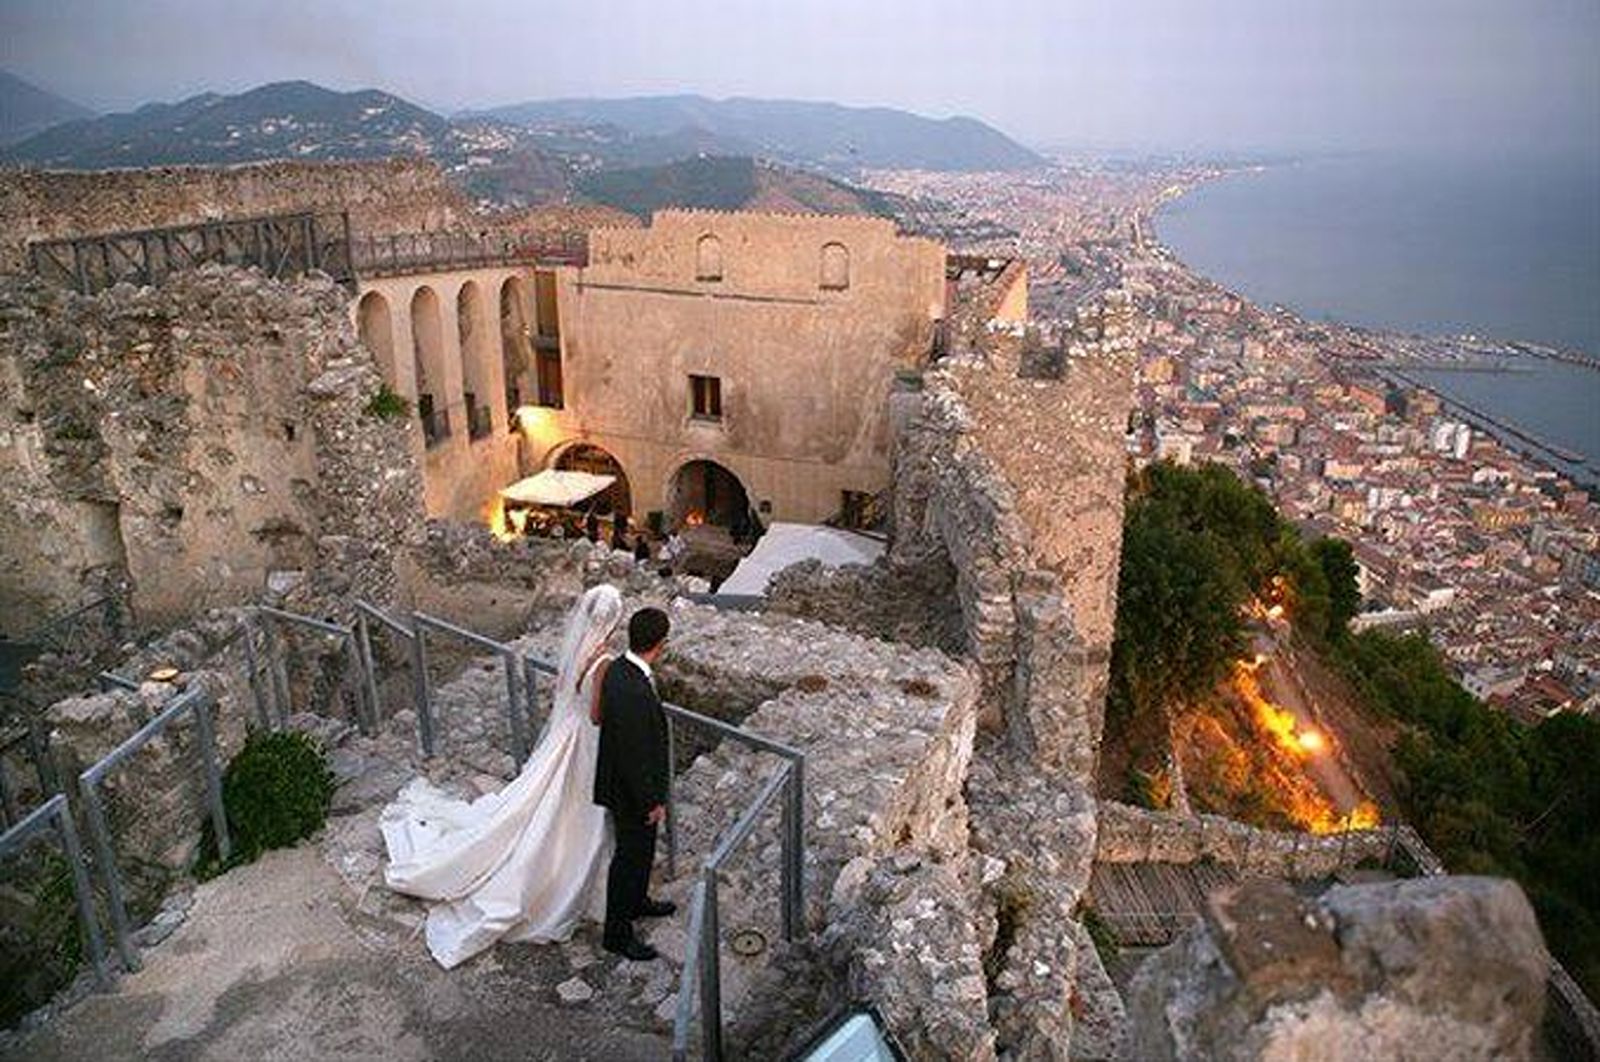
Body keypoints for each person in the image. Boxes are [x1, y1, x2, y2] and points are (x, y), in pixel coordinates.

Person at [379, 585, 624, 969]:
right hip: (586, 740)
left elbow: (568, 694)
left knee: (546, 798)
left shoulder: (580, 651)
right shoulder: (605, 659)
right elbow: (596, 713)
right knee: (577, 808)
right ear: (612, 620)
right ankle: (558, 880)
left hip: (566, 734)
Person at [593, 607, 675, 960]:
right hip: (631, 794)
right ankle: (617, 934)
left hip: (626, 786)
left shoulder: (620, 670)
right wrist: (651, 801)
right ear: (661, 643)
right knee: (628, 860)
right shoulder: (633, 690)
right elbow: (633, 755)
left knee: (641, 854)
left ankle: (638, 901)